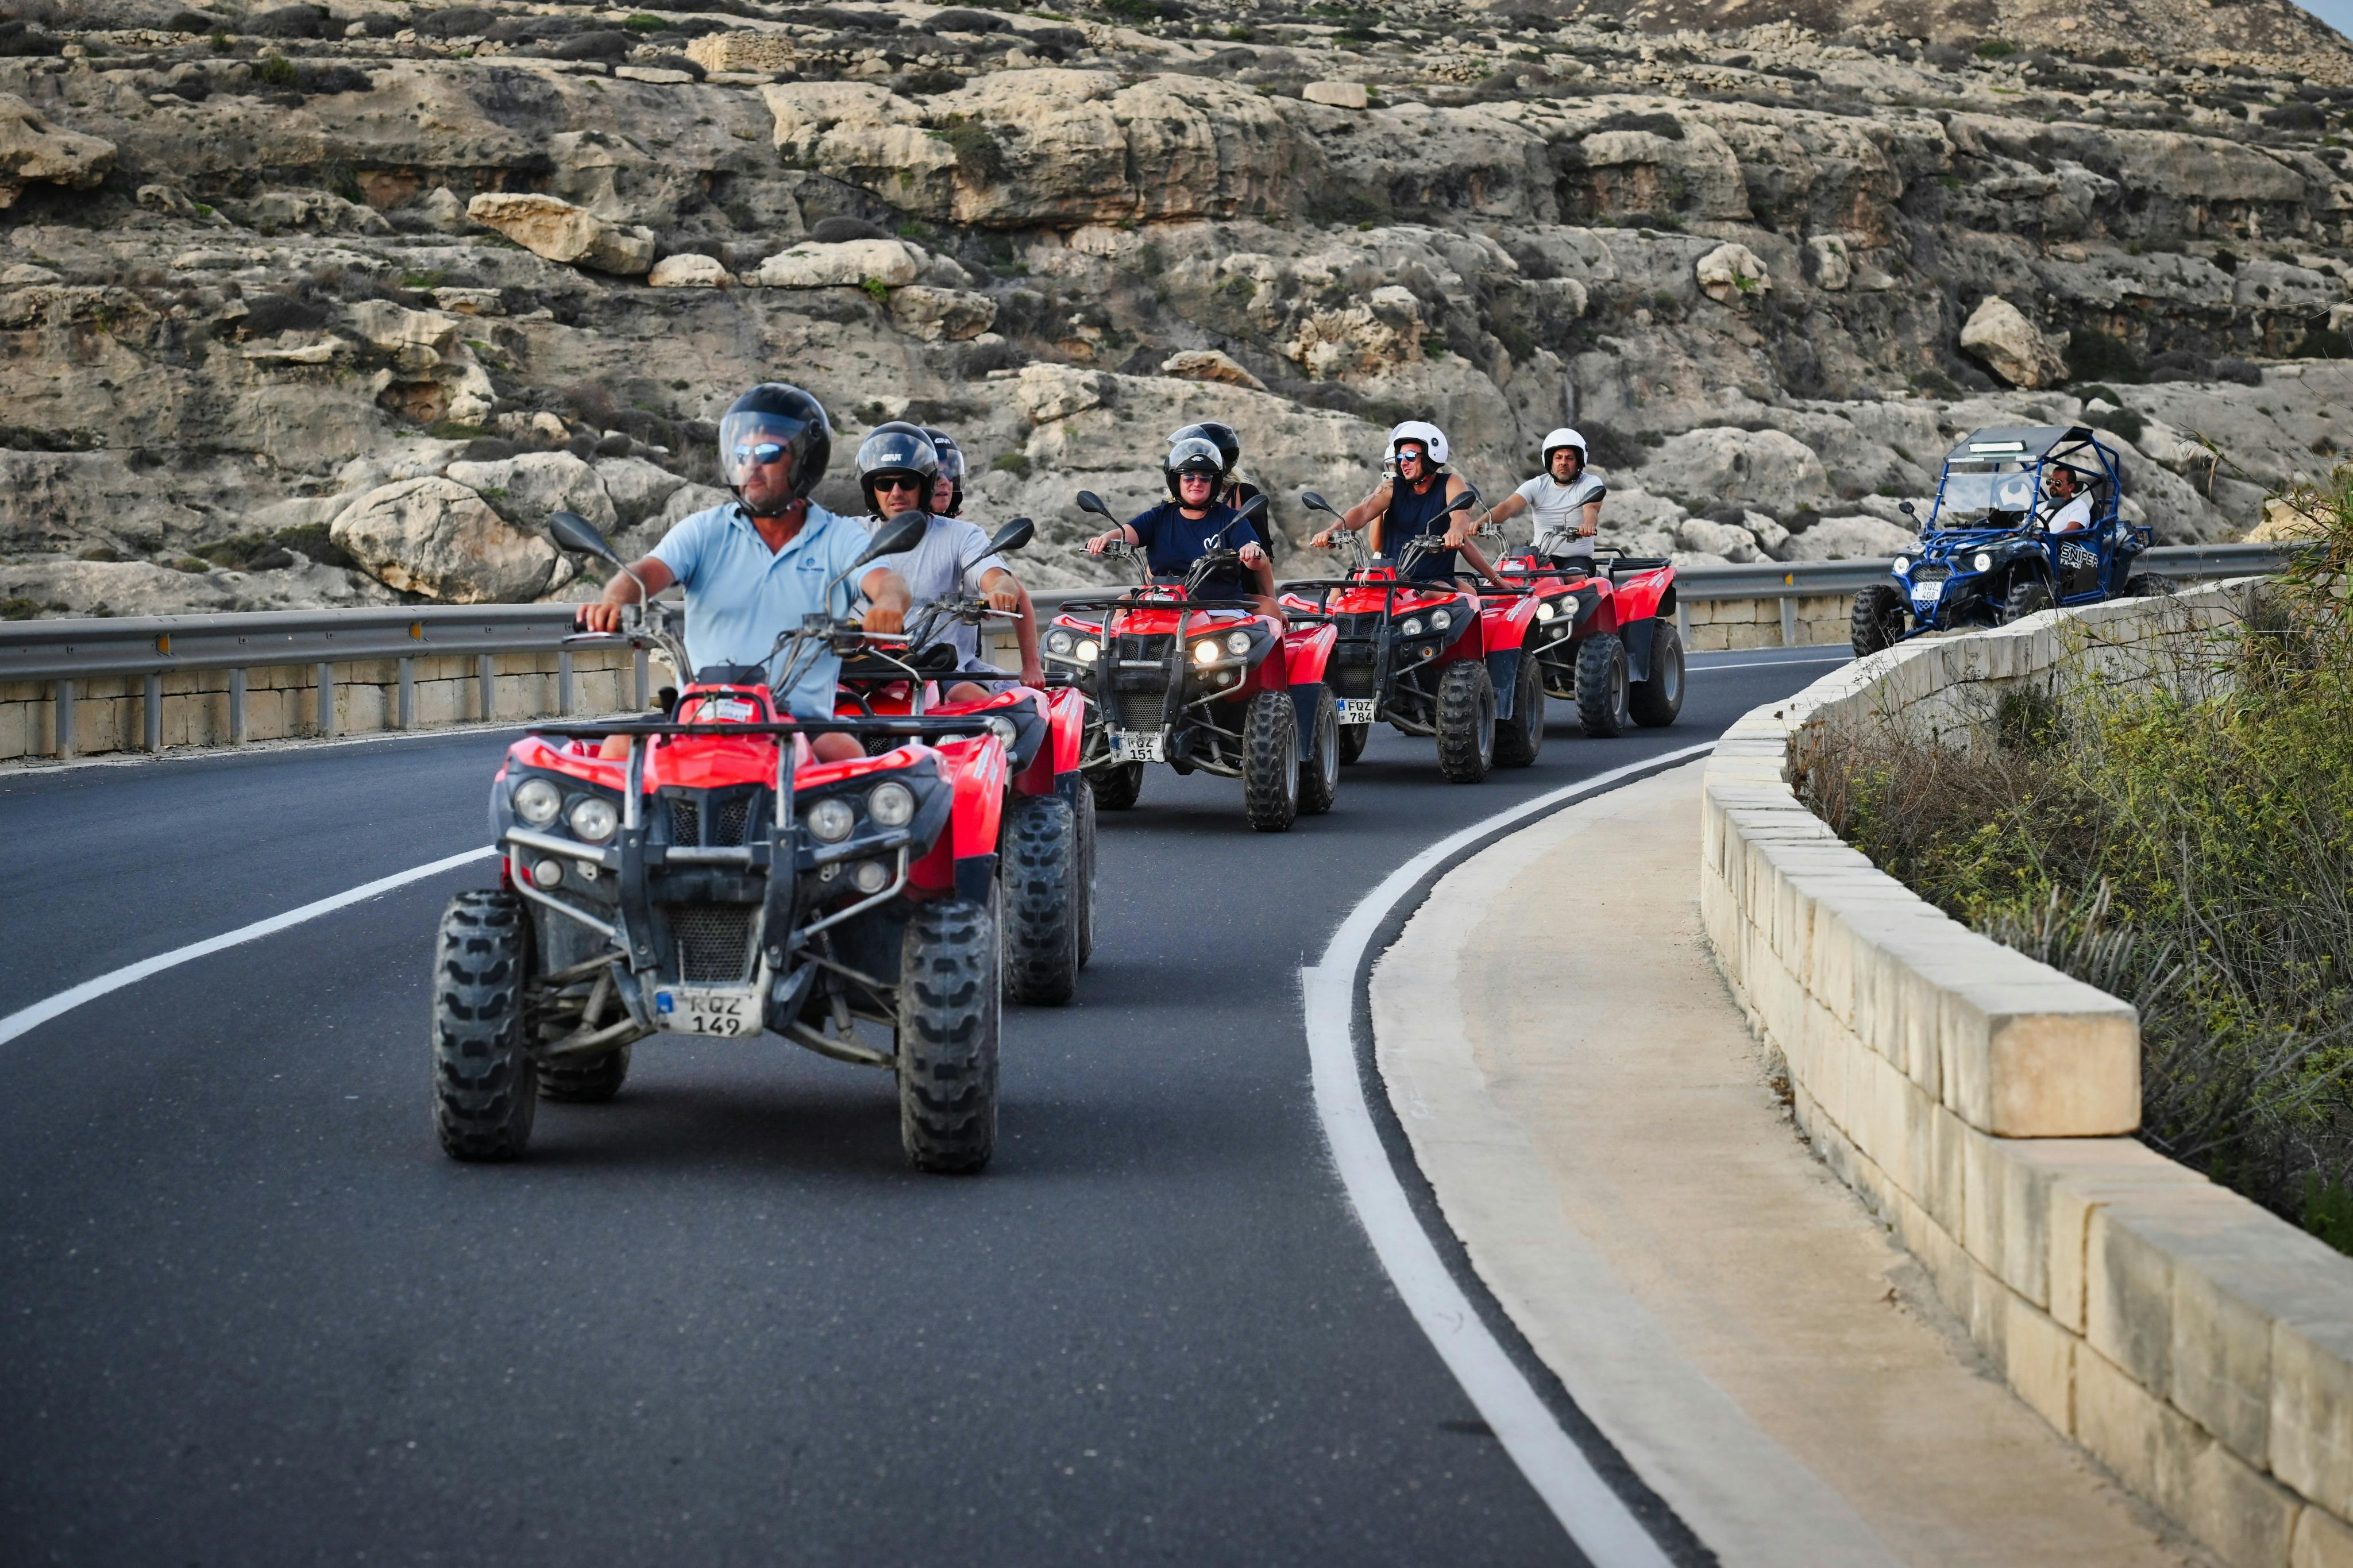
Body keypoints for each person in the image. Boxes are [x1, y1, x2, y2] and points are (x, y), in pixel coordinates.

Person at [576, 383, 911, 763]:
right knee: (618, 749)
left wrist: (887, 605)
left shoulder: (838, 537)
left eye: (767, 452)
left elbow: (888, 582)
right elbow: (642, 574)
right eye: (741, 453)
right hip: (702, 716)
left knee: (847, 754)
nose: (751, 464)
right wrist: (615, 601)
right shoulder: (704, 530)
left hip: (801, 724)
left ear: (805, 457)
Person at [859, 422, 1044, 698]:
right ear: (872, 489)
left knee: (998, 712)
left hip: (941, 671)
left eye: (907, 483)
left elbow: (998, 577)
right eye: (884, 484)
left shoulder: (962, 536)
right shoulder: (849, 535)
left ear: (923, 485)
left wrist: (1000, 591)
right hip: (861, 671)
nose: (896, 492)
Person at [1084, 435, 1276, 612]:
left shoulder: (1231, 520)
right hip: (1160, 605)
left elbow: (1256, 556)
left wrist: (1252, 553)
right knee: (1118, 621)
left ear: (1214, 483)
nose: (1197, 483)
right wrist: (1105, 539)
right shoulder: (1159, 517)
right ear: (1177, 481)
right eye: (1189, 477)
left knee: (1235, 636)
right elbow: (1125, 535)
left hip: (1218, 608)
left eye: (1205, 478)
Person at [1308, 420, 1506, 588]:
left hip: (1433, 581)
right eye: (1400, 457)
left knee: (1442, 596)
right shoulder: (1391, 487)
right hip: (1392, 581)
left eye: (1410, 457)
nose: (1403, 463)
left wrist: (1455, 532)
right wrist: (1332, 530)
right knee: (1339, 594)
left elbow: (1461, 515)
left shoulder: (1450, 483)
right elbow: (1362, 511)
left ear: (1431, 456)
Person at [1465, 427, 1605, 569]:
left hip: (1577, 559)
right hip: (1541, 557)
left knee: (1573, 578)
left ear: (1579, 462)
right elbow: (1507, 507)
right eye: (1558, 458)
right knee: (1511, 574)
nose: (1563, 462)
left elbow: (1592, 507)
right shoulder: (1537, 485)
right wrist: (1480, 523)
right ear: (1550, 460)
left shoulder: (1590, 483)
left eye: (1569, 458)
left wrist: (1588, 525)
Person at [2040, 463, 2093, 533]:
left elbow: (2071, 532)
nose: (2052, 485)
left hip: (2056, 544)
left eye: (2057, 483)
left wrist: (2042, 537)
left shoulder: (2078, 506)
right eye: (2050, 481)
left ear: (2071, 487)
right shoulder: (2041, 506)